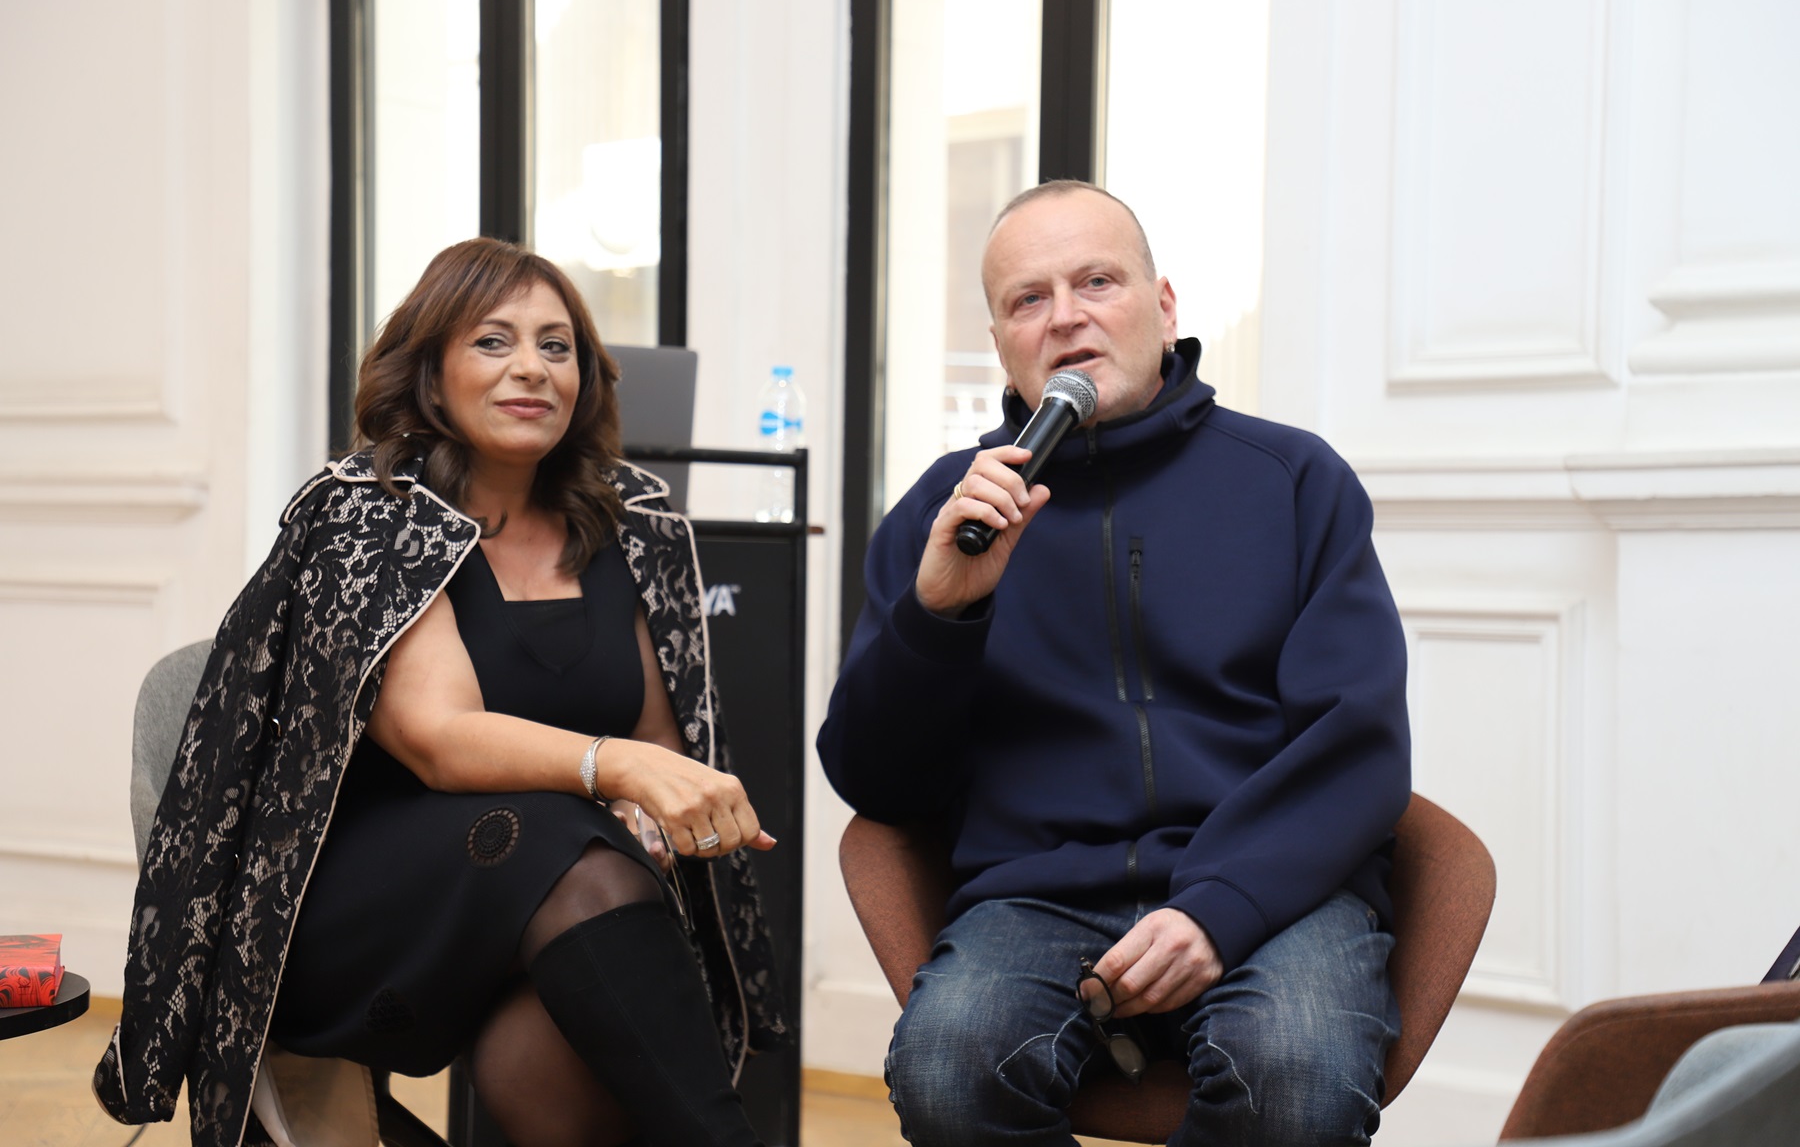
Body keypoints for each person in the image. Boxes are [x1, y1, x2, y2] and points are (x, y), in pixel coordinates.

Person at [96, 239, 787, 1147]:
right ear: (431, 372)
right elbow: (440, 737)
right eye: (494, 341)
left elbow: (658, 734)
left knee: (559, 1064)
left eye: (556, 346)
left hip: (542, 899)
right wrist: (616, 770)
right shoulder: (370, 515)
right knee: (572, 843)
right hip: (352, 911)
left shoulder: (624, 525)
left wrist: (650, 811)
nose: (531, 368)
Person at [817, 181, 1411, 1147]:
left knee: (1293, 1076)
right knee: (948, 1067)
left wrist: (1221, 909)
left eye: (1096, 282)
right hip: (1036, 894)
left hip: (1274, 887)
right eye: (1029, 299)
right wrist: (941, 617)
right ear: (1003, 343)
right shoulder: (945, 514)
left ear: (1164, 308)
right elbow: (876, 784)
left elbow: (1359, 744)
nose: (1065, 317)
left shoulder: (1295, 480)